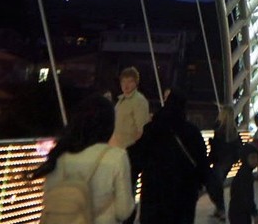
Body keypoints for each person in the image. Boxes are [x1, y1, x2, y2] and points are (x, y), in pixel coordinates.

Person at [30, 93, 135, 224]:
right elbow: (123, 211)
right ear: (109, 125)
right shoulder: (117, 157)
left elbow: (49, 198)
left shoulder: (62, 153)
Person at [134, 89, 207, 224]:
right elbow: (202, 164)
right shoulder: (192, 133)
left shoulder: (151, 129)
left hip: (154, 197)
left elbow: (137, 159)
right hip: (183, 198)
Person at [110, 66, 150, 224]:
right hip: (117, 152)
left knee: (127, 189)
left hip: (129, 152)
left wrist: (133, 149)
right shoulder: (121, 101)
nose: (126, 85)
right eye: (124, 81)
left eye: (130, 81)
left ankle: (128, 220)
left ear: (136, 83)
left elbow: (142, 129)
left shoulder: (139, 101)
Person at [206, 105, 244, 219]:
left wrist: (208, 159)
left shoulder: (219, 130)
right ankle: (219, 209)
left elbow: (216, 149)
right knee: (217, 184)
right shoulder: (233, 131)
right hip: (228, 162)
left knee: (214, 184)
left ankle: (221, 209)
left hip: (220, 162)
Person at [227, 143, 258, 224]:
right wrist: (254, 213)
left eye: (256, 158)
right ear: (245, 158)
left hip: (236, 211)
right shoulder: (245, 175)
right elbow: (247, 197)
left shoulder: (243, 172)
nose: (255, 161)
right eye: (252, 158)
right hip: (240, 213)